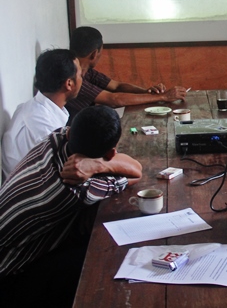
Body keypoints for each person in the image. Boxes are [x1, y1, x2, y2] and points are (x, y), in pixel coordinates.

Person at [0, 105, 142, 307]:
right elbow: (135, 171)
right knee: (103, 257)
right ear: (112, 153)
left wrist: (96, 164)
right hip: (10, 277)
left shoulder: (54, 138)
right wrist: (101, 165)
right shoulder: (77, 189)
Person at [65, 26, 188, 121]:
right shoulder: (73, 77)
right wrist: (163, 97)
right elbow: (114, 99)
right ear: (94, 54)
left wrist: (147, 92)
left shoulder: (87, 71)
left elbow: (117, 86)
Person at [1, 49, 82, 181]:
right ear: (69, 84)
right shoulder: (43, 124)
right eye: (80, 75)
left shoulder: (33, 108)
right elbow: (70, 171)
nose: (81, 79)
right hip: (31, 197)